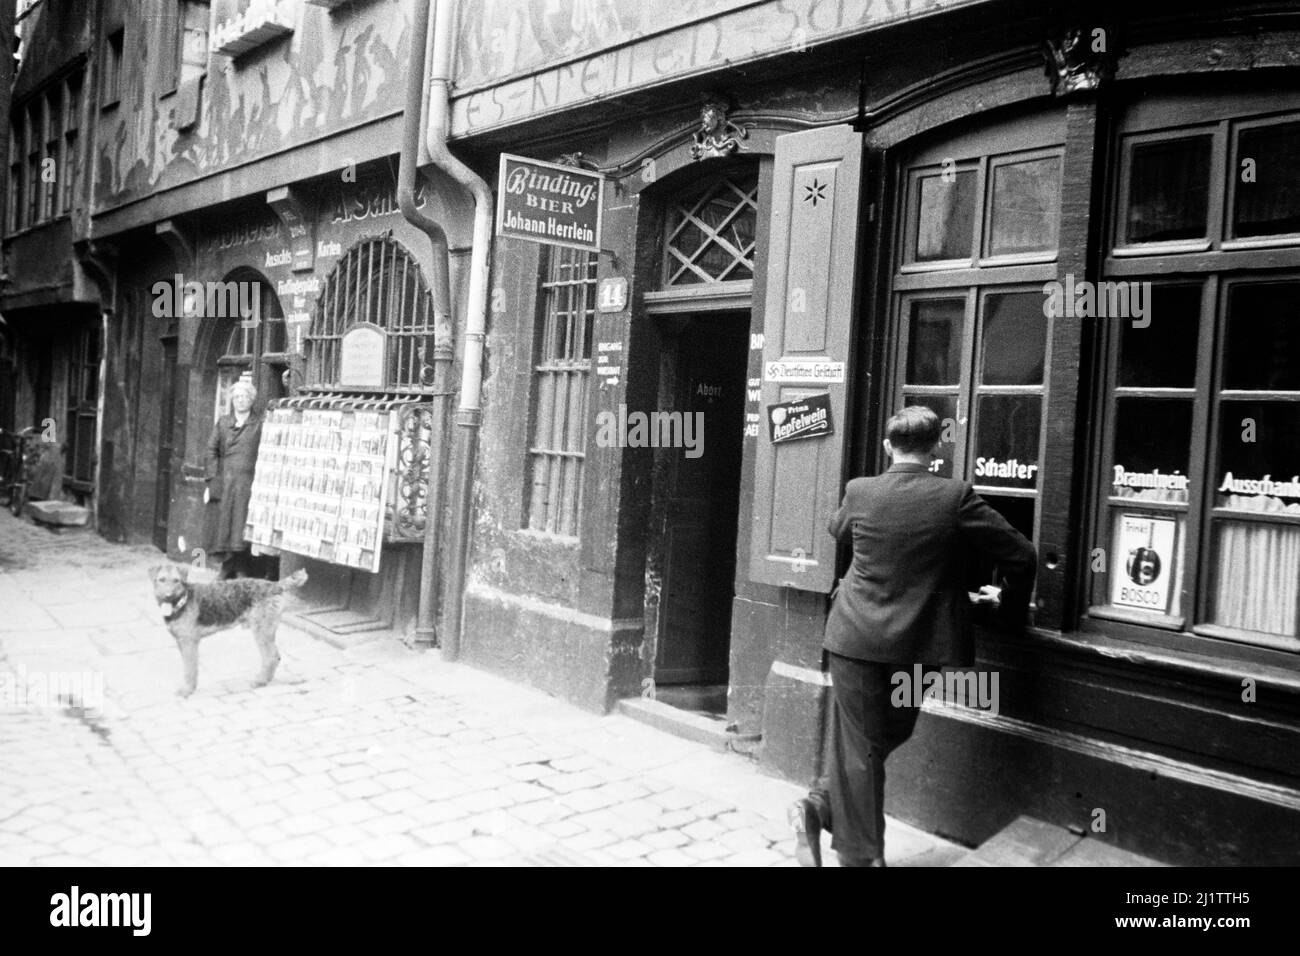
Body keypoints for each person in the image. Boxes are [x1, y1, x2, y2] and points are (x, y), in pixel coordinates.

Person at [791, 405, 1037, 867]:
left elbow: (836, 529)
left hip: (855, 640)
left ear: (888, 446)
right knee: (876, 738)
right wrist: (1007, 605)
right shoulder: (955, 497)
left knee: (872, 739)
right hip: (920, 646)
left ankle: (817, 806)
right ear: (935, 448)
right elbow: (1022, 554)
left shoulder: (861, 491)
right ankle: (860, 857)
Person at [205, 379, 267, 579]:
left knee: (241, 525)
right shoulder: (223, 423)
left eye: (245, 397)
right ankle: (228, 567)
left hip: (247, 485)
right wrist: (213, 479)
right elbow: (211, 450)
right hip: (226, 483)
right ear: (232, 401)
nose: (240, 401)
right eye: (237, 397)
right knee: (225, 525)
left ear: (251, 400)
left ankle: (241, 569)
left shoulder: (258, 424)